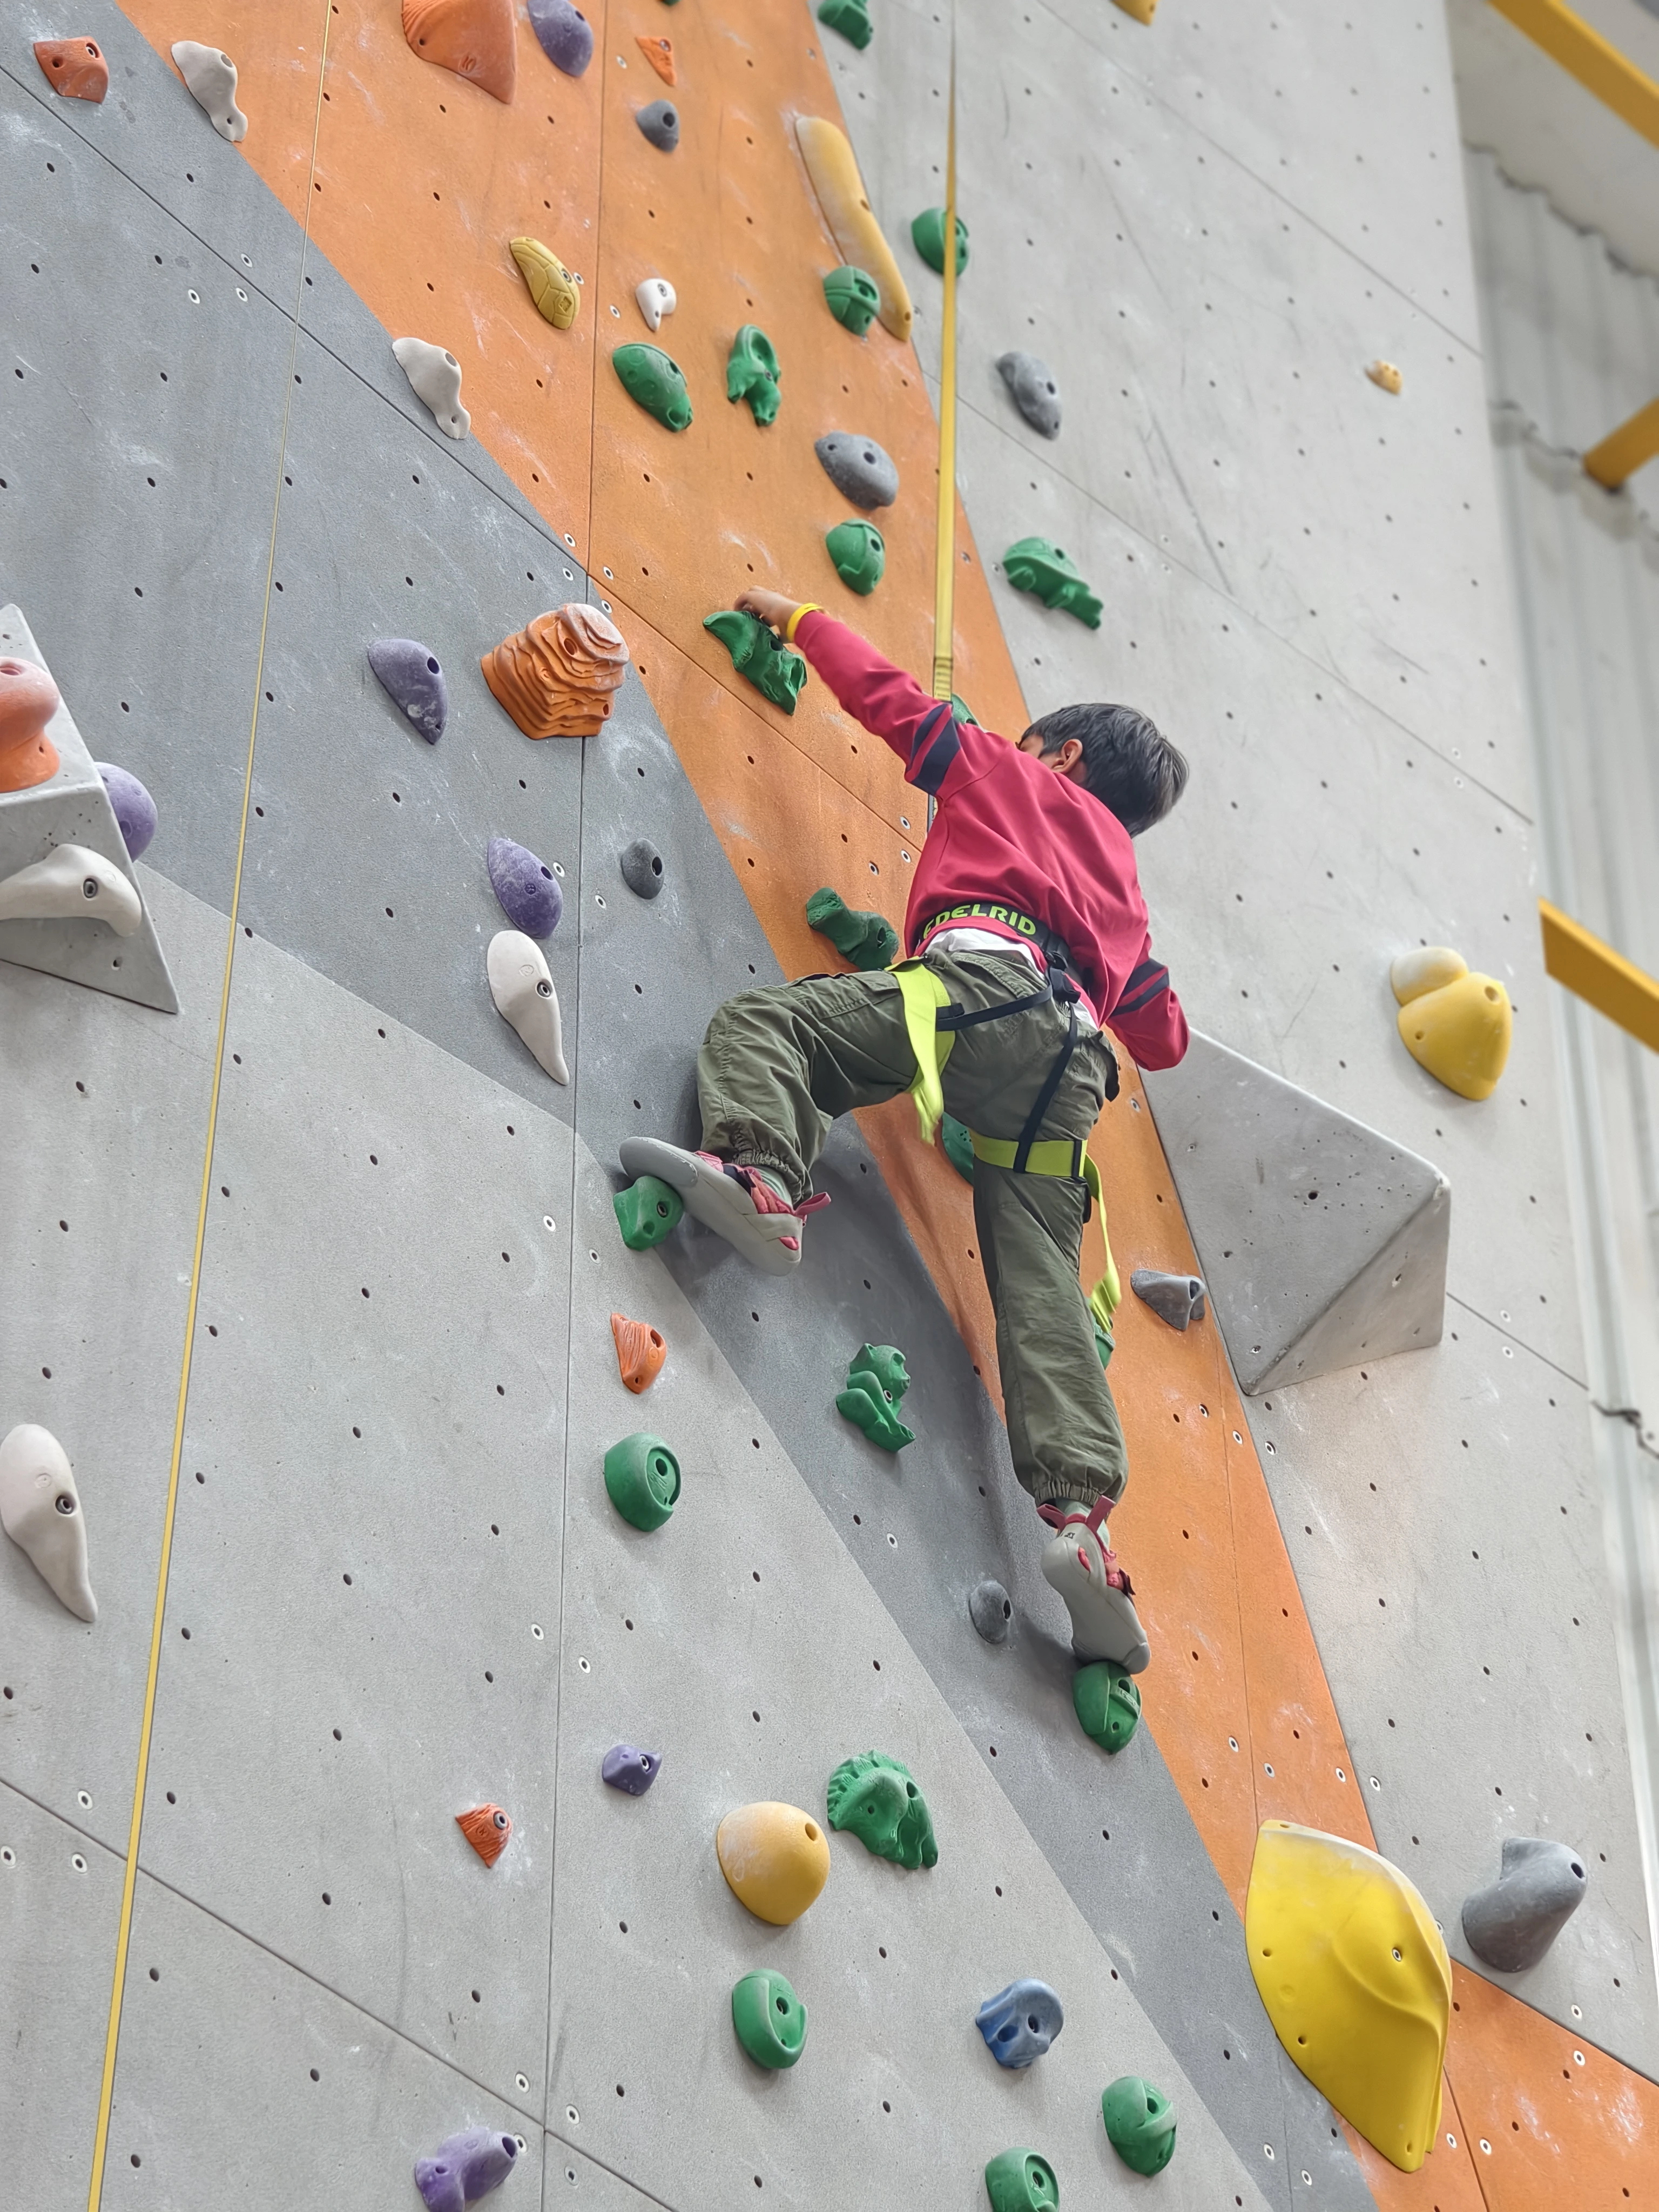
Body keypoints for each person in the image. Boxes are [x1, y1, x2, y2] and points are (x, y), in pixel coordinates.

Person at [621, 590, 1190, 1673]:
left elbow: (887, 702)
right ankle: (1079, 1526)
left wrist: (797, 616)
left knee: (772, 1025)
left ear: (1061, 755)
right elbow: (1163, 1036)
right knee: (1042, 1293)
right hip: (1069, 1079)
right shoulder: (1126, 895)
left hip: (976, 989)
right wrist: (1114, 948)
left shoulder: (1006, 770)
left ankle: (762, 1175)